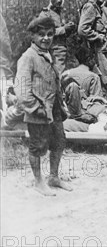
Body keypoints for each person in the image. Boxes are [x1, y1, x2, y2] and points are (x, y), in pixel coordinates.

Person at [15, 16, 72, 195]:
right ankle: (39, 182)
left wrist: (61, 104)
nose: (46, 38)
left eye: (49, 34)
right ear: (33, 36)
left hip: (54, 108)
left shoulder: (49, 55)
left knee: (59, 142)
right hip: (38, 110)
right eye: (41, 35)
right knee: (37, 147)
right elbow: (22, 88)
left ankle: (53, 177)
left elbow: (55, 82)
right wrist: (35, 109)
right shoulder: (28, 57)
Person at [39, 0, 77, 74]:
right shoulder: (45, 14)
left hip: (63, 49)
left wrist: (70, 28)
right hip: (53, 49)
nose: (59, 0)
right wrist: (64, 29)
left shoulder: (61, 12)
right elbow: (45, 32)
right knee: (58, 74)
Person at [62, 46, 103, 121]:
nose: (95, 61)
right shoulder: (94, 76)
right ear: (89, 59)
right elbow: (96, 100)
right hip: (85, 112)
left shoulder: (65, 74)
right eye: (93, 58)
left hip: (67, 110)